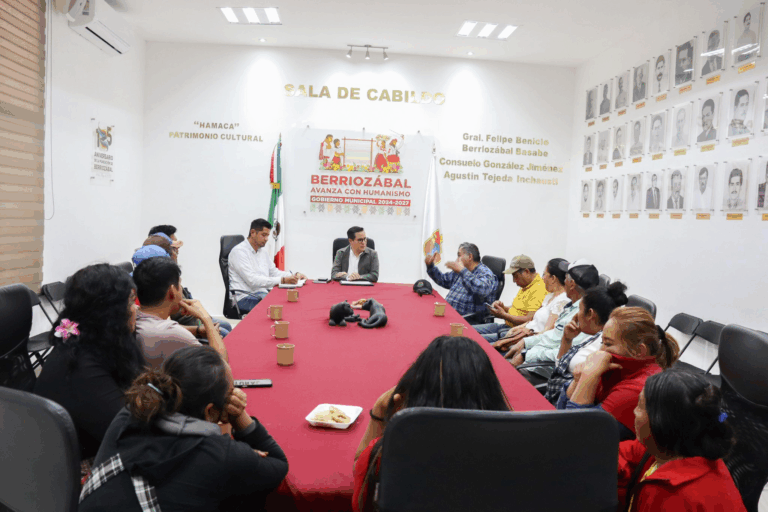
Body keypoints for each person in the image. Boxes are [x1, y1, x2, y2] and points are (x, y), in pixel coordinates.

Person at [79, 346, 288, 512]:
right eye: (231, 393)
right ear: (210, 412)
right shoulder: (221, 454)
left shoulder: (130, 413)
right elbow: (278, 465)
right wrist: (240, 416)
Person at [352, 336, 510, 512]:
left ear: (421, 391)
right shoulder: (516, 445)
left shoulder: (392, 452)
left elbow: (361, 492)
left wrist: (379, 411)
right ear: (490, 389)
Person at [34, 264, 145, 462]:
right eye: (130, 301)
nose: (135, 307)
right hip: (79, 471)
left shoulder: (101, 344)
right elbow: (132, 438)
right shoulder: (81, 367)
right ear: (110, 313)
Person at [618, 371, 746, 512]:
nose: (634, 412)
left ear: (660, 422)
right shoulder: (673, 446)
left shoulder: (669, 495)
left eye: (640, 406)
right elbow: (623, 451)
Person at [557, 307, 679, 441]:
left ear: (639, 351)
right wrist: (577, 380)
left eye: (608, 344)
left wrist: (588, 378)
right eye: (602, 342)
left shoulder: (639, 388)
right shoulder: (616, 371)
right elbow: (559, 413)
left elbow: (572, 435)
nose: (600, 352)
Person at [504, 260, 600, 382]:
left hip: (543, 371)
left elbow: (566, 352)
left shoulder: (584, 315)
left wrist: (526, 354)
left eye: (565, 278)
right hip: (533, 360)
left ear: (571, 284)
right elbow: (553, 335)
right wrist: (526, 342)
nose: (562, 282)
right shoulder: (571, 306)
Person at [133, 257, 227, 369]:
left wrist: (197, 330)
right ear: (172, 291)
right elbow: (220, 366)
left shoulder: (133, 316)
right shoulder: (172, 333)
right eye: (180, 284)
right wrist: (205, 318)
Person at [545, 282, 628, 406]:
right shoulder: (593, 336)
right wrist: (566, 340)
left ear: (590, 314)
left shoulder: (603, 346)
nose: (576, 314)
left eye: (579, 309)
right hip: (553, 398)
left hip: (562, 408)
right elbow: (560, 366)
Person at [488, 258, 569, 350]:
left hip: (526, 343)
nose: (543, 278)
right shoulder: (550, 296)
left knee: (483, 347)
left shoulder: (560, 301)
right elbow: (532, 320)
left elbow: (546, 333)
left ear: (553, 278)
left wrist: (519, 336)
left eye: (544, 274)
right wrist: (516, 328)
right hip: (519, 334)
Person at [228, 218, 306, 314]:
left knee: (287, 302)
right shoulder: (239, 252)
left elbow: (274, 272)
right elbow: (252, 281)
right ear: (252, 233)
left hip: (261, 293)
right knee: (279, 309)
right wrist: (283, 280)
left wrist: (294, 276)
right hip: (244, 298)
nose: (266, 239)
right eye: (263, 235)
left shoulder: (262, 251)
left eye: (268, 235)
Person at [474, 255, 547, 343]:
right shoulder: (527, 284)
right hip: (506, 326)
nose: (514, 281)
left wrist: (503, 315)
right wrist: (503, 307)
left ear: (526, 272)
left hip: (515, 332)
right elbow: (517, 309)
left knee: (474, 340)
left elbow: (528, 320)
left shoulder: (539, 289)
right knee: (467, 330)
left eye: (515, 276)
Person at [425, 242, 497, 323]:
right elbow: (443, 280)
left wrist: (463, 271)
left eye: (459, 255)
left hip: (465, 320)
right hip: (447, 315)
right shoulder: (462, 270)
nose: (457, 259)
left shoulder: (485, 273)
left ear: (470, 257)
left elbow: (481, 290)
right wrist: (430, 266)